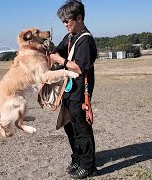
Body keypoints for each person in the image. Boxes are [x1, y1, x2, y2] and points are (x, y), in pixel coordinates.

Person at [50, 0, 97, 179]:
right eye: (62, 21)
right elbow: (59, 50)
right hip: (68, 90)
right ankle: (77, 158)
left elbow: (79, 67)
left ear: (79, 18)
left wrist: (60, 61)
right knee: (69, 127)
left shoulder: (86, 40)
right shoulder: (71, 36)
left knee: (81, 128)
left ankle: (88, 165)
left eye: (67, 21)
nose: (64, 25)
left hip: (79, 92)